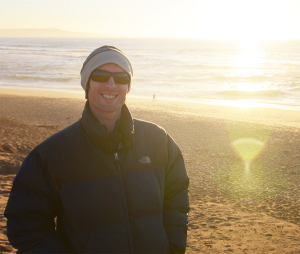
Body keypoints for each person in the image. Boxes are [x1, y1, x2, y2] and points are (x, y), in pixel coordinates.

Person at [4, 46, 189, 253]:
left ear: (128, 87)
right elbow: (26, 226)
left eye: (120, 78)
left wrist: (173, 248)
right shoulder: (51, 155)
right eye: (101, 76)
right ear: (87, 84)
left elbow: (177, 201)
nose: (111, 84)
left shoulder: (158, 141)